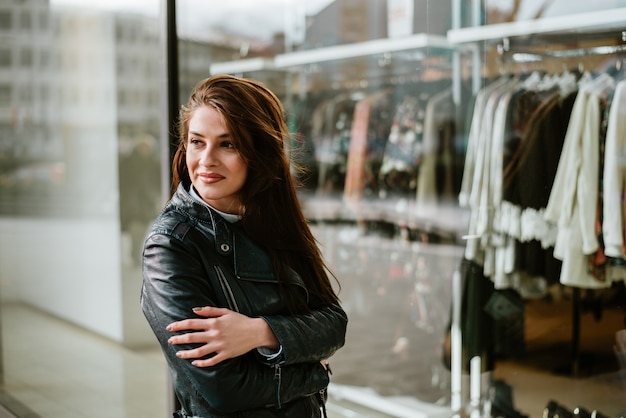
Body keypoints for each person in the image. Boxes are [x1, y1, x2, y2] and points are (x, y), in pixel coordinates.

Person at [141, 74, 348, 418]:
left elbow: (333, 323)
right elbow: (223, 389)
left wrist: (260, 331)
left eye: (228, 144)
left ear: (259, 154)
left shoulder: (274, 222)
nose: (207, 159)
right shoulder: (170, 245)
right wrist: (313, 372)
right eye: (197, 141)